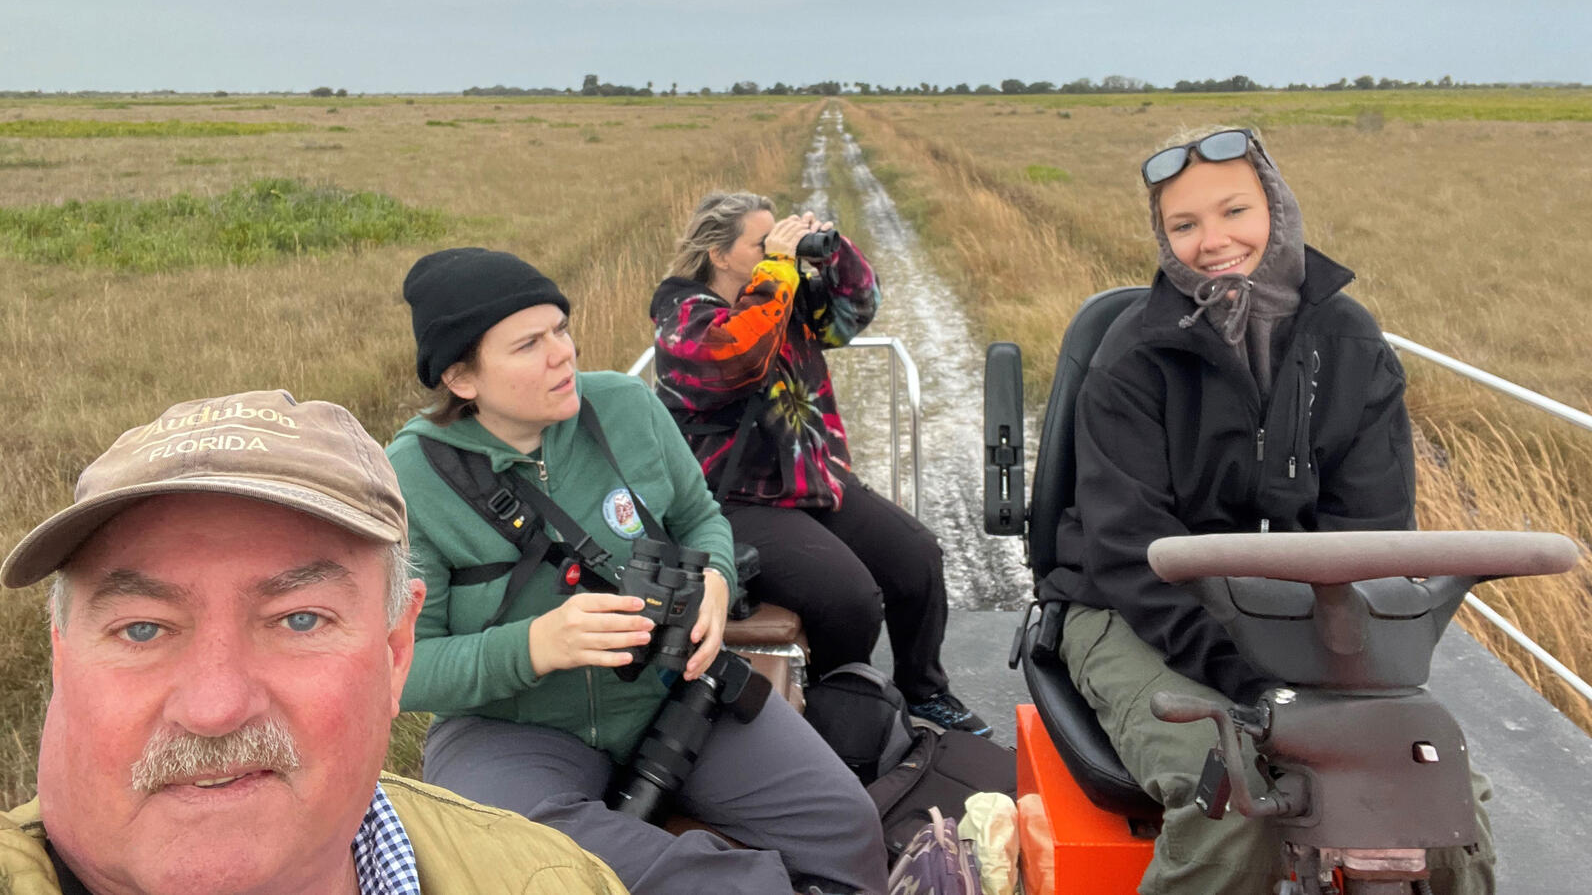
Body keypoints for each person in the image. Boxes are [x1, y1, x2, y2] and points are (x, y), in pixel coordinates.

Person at [1039, 127, 1495, 894]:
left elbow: (1374, 535)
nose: (1212, 242)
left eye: (1233, 211)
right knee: (1233, 802)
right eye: (1184, 226)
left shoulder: (1352, 346)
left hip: (1306, 626)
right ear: (1163, 237)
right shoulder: (1132, 357)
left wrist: (1326, 660)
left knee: (1443, 804)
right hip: (1127, 612)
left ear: (1277, 209)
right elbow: (1128, 553)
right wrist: (1259, 680)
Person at [388, 247, 887, 895]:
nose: (562, 353)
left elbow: (702, 519)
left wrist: (715, 581)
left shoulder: (626, 407)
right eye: (528, 344)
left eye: (560, 330)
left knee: (846, 826)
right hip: (507, 730)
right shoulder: (413, 478)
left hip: (672, 693)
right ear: (461, 378)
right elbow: (404, 669)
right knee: (539, 870)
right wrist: (536, 646)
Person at [0, 389, 626, 895]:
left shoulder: (554, 880)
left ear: (395, 652)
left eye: (299, 620)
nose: (215, 709)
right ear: (63, 657)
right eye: (142, 629)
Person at [649, 192, 987, 735]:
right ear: (718, 254)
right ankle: (839, 710)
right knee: (850, 600)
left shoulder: (785, 295)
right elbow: (738, 355)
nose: (775, 251)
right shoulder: (682, 314)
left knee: (917, 557)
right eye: (760, 244)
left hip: (811, 478)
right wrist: (780, 268)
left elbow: (857, 307)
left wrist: (831, 251)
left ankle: (923, 691)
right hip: (734, 496)